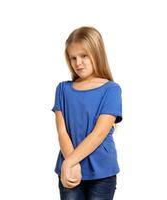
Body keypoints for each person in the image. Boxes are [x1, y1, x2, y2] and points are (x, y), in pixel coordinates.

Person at [51, 26, 123, 200]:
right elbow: (62, 131)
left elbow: (99, 134)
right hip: (69, 170)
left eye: (84, 56)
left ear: (96, 53)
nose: (78, 63)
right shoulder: (63, 89)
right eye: (73, 58)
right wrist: (70, 164)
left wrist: (70, 161)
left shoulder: (111, 90)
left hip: (102, 172)